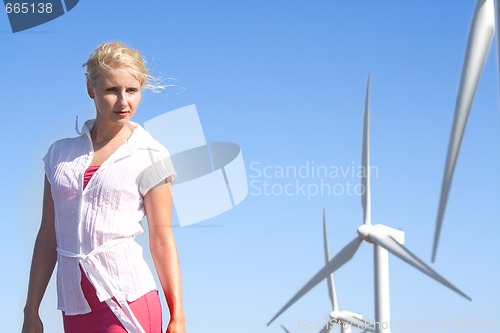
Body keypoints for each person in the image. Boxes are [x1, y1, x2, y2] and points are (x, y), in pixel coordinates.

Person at [21, 42, 187, 333]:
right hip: (74, 303)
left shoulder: (151, 154)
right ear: (90, 89)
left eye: (132, 91)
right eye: (112, 90)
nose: (123, 102)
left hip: (128, 297)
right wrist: (31, 309)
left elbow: (161, 240)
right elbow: (48, 236)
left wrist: (178, 316)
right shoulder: (59, 155)